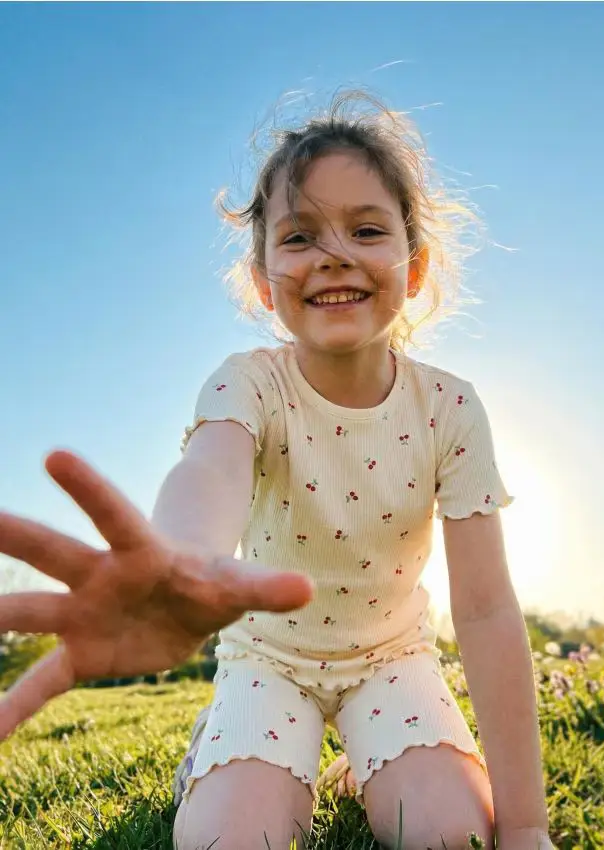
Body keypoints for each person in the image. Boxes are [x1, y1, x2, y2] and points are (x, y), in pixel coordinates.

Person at [0, 90, 555, 850]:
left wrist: (524, 827)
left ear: (414, 265)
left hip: (390, 657)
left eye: (365, 229)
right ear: (262, 278)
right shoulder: (246, 385)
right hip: (268, 659)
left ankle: (367, 762)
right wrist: (176, 563)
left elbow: (487, 611)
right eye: (298, 236)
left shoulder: (450, 409)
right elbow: (210, 473)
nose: (333, 253)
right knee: (228, 841)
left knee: (449, 834)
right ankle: (222, 750)